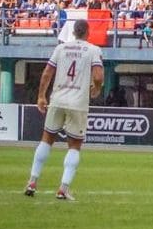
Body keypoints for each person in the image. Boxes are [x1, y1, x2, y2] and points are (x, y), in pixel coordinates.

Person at [25, 20, 104, 201]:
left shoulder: (61, 49)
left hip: (58, 99)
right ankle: (63, 188)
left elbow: (46, 73)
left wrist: (41, 96)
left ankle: (32, 181)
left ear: (74, 32)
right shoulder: (93, 50)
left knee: (46, 140)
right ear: (87, 32)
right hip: (77, 103)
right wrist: (97, 88)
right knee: (74, 145)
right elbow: (98, 76)